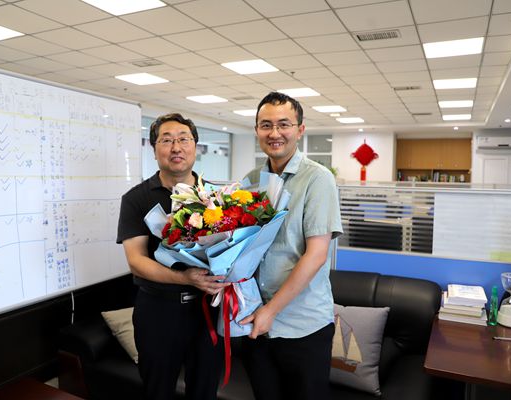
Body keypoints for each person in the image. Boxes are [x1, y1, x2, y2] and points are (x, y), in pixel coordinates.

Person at [239, 92, 343, 400]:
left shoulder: (318, 179)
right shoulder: (251, 180)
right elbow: (242, 245)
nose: (274, 133)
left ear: (300, 130)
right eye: (266, 125)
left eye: (284, 124)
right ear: (256, 130)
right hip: (255, 320)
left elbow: (317, 254)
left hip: (303, 324)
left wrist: (271, 310)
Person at [116, 113, 226, 400]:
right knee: (158, 391)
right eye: (166, 141)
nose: (176, 147)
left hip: (207, 310)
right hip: (158, 312)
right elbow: (136, 261)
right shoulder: (136, 198)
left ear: (195, 147)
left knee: (205, 392)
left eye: (183, 139)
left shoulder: (217, 196)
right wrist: (184, 277)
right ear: (154, 150)